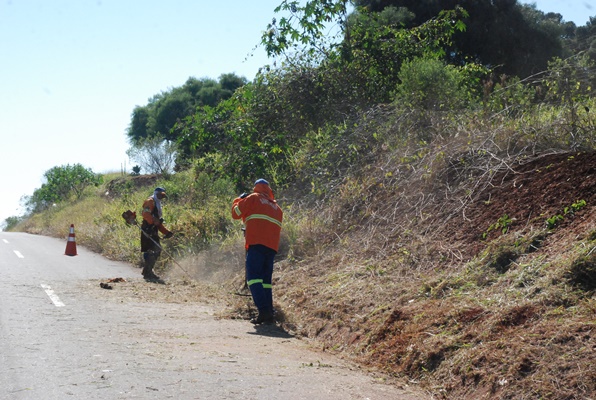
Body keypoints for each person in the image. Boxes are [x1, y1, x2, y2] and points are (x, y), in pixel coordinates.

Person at [232, 179, 283, 324]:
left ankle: (264, 311)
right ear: (269, 190)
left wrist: (239, 200)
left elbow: (236, 213)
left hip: (256, 245)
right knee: (266, 282)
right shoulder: (277, 208)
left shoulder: (253, 198)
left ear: (256, 188)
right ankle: (269, 313)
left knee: (254, 279)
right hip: (271, 248)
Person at [141, 187, 173, 282]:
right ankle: (148, 272)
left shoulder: (157, 203)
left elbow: (157, 223)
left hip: (153, 230)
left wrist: (166, 232)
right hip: (147, 230)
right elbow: (145, 214)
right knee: (152, 250)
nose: (161, 197)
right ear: (156, 193)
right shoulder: (150, 201)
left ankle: (147, 271)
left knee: (155, 250)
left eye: (163, 195)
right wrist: (153, 221)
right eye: (160, 195)